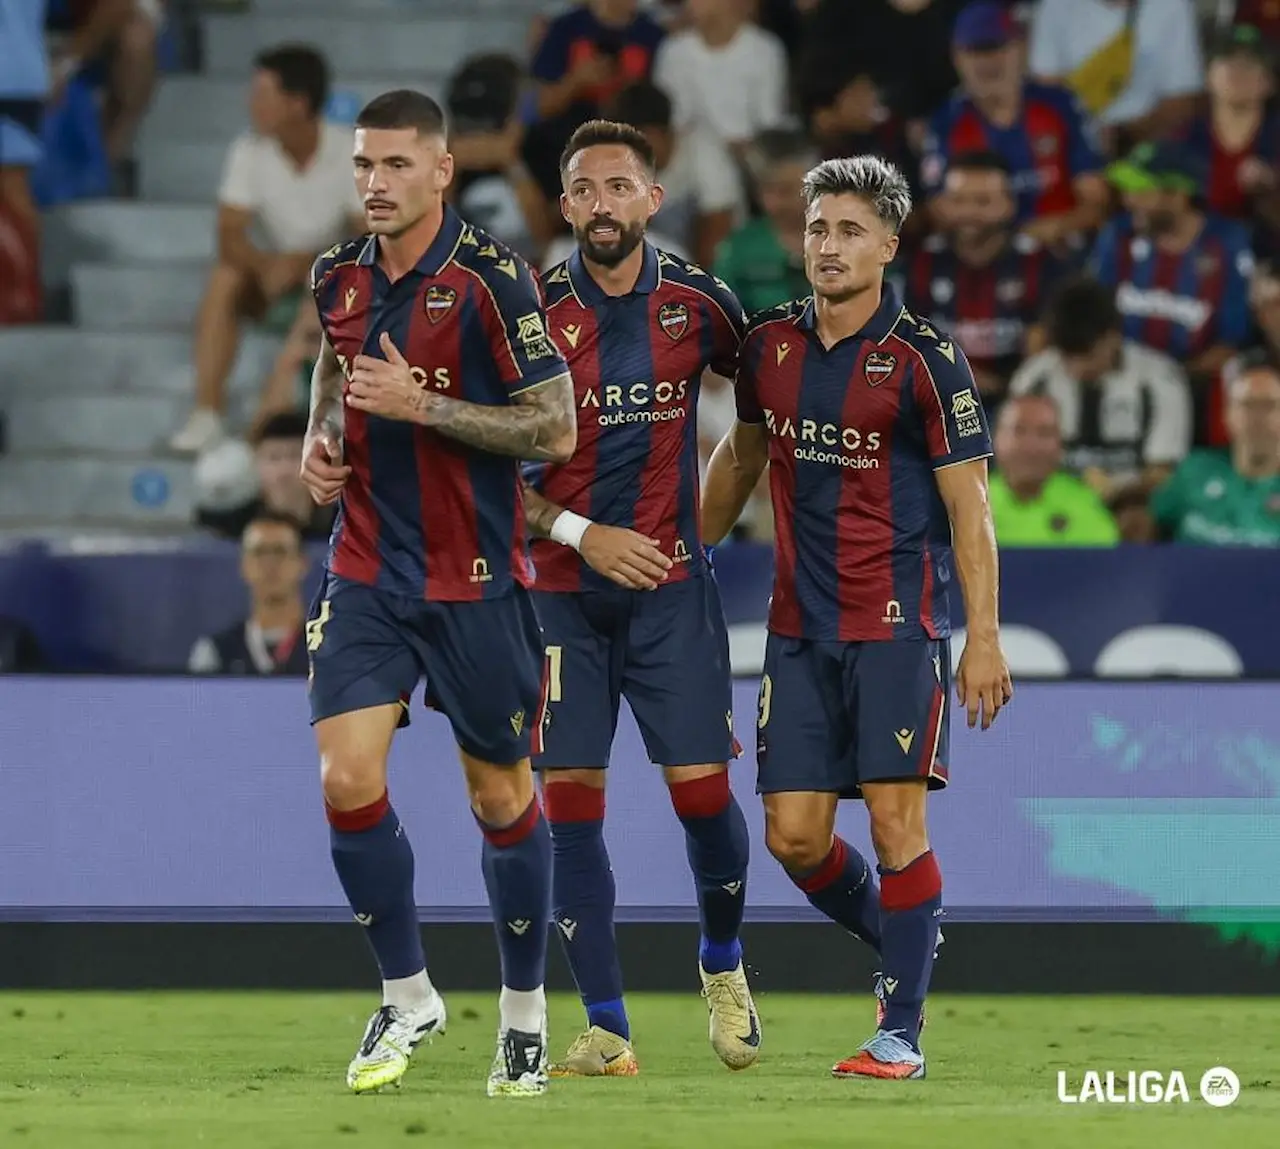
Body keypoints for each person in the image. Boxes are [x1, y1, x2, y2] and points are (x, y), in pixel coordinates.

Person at [701, 155, 1012, 1080]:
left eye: (848, 231)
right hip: (797, 628)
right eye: (817, 229)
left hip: (895, 626)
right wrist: (687, 552)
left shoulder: (926, 358)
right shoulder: (769, 349)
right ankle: (903, 942)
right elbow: (739, 458)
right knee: (793, 835)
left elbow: (972, 509)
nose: (828, 247)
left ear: (888, 242)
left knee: (893, 824)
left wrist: (982, 636)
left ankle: (900, 1033)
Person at [300, 89, 576, 1098]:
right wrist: (319, 442)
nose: (374, 184)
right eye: (364, 166)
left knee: (499, 797)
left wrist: (424, 406)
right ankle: (408, 993)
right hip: (368, 567)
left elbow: (553, 431)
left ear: (443, 170)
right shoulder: (334, 276)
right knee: (343, 777)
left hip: (476, 581)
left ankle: (522, 1015)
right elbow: (334, 378)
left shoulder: (497, 282)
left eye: (396, 166)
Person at [520, 118, 757, 1078]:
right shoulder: (528, 314)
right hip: (560, 598)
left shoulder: (702, 304)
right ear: (566, 203)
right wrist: (583, 534)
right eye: (584, 188)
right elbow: (486, 470)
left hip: (669, 595)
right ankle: (608, 1025)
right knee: (570, 807)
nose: (602, 205)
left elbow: (761, 415)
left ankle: (724, 964)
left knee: (703, 797)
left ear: (652, 199)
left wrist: (708, 523)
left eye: (620, 187)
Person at [169, 45, 364, 454]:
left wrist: (305, 264)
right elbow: (230, 236)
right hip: (272, 280)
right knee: (226, 276)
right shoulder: (249, 151)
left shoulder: (350, 151)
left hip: (331, 282)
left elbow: (371, 239)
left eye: (261, 94)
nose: (250, 103)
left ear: (297, 103)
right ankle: (207, 413)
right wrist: (267, 265)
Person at [922, 1, 1109, 248]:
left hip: (1061, 250)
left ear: (1021, 48)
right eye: (975, 50)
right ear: (957, 57)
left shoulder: (1061, 105)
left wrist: (1054, 229)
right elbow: (939, 210)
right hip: (983, 255)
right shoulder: (946, 120)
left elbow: (1096, 199)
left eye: (996, 47)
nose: (987, 61)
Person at [903, 149, 1063, 410]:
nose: (969, 212)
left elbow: (1043, 351)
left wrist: (1006, 390)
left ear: (1009, 205)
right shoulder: (923, 262)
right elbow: (909, 346)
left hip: (1020, 402)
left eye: (983, 202)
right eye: (959, 200)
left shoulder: (1039, 263)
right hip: (937, 402)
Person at [1150, 350, 1280, 546]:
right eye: (1247, 405)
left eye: (1269, 405)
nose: (1258, 418)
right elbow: (1151, 525)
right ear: (1227, 415)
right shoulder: (1193, 471)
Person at [187, 510, 311, 675]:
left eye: (280, 551)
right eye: (259, 552)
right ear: (244, 566)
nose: (270, 564)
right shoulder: (214, 653)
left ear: (302, 564)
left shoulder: (330, 649)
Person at [989, 394, 1120, 546]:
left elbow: (1103, 563)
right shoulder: (970, 505)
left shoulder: (1084, 503)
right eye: (1019, 431)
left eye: (1044, 433)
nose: (1031, 446)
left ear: (1060, 444)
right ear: (995, 439)